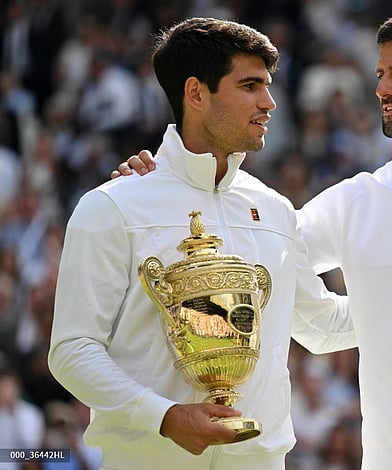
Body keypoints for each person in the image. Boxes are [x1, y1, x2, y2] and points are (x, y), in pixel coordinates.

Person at [116, 10, 392, 469]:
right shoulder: (354, 200)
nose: (382, 89)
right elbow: (250, 246)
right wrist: (166, 185)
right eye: (380, 74)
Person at [48, 17, 353, 470]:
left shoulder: (275, 210)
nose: (268, 103)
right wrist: (164, 417)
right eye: (249, 85)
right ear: (195, 93)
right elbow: (72, 351)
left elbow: (321, 325)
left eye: (267, 86)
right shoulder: (112, 207)